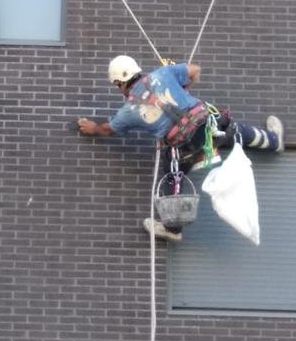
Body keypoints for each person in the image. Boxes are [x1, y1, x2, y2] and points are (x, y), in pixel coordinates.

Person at [76, 54, 283, 242]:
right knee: (236, 132)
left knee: (173, 176)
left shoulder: (128, 111)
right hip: (206, 126)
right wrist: (184, 87)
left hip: (183, 148)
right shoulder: (162, 74)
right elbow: (195, 70)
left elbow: (108, 129)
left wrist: (93, 128)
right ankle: (273, 141)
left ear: (120, 83)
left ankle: (172, 229)